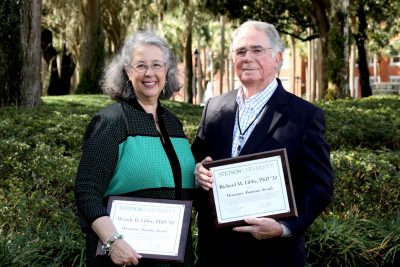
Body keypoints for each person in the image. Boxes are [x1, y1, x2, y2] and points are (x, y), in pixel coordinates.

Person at [191, 20, 334, 267]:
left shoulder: (304, 116)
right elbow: (195, 163)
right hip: (215, 253)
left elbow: (320, 187)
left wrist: (284, 227)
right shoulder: (214, 108)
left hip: (272, 255)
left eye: (257, 50)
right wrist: (197, 172)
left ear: (278, 57)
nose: (247, 58)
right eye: (240, 51)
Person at [74, 32, 196, 267]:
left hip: (176, 257)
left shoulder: (173, 124)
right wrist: (113, 242)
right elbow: (86, 190)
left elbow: (180, 182)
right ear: (128, 72)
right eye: (141, 65)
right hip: (125, 258)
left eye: (156, 65)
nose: (149, 73)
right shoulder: (112, 121)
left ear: (166, 70)